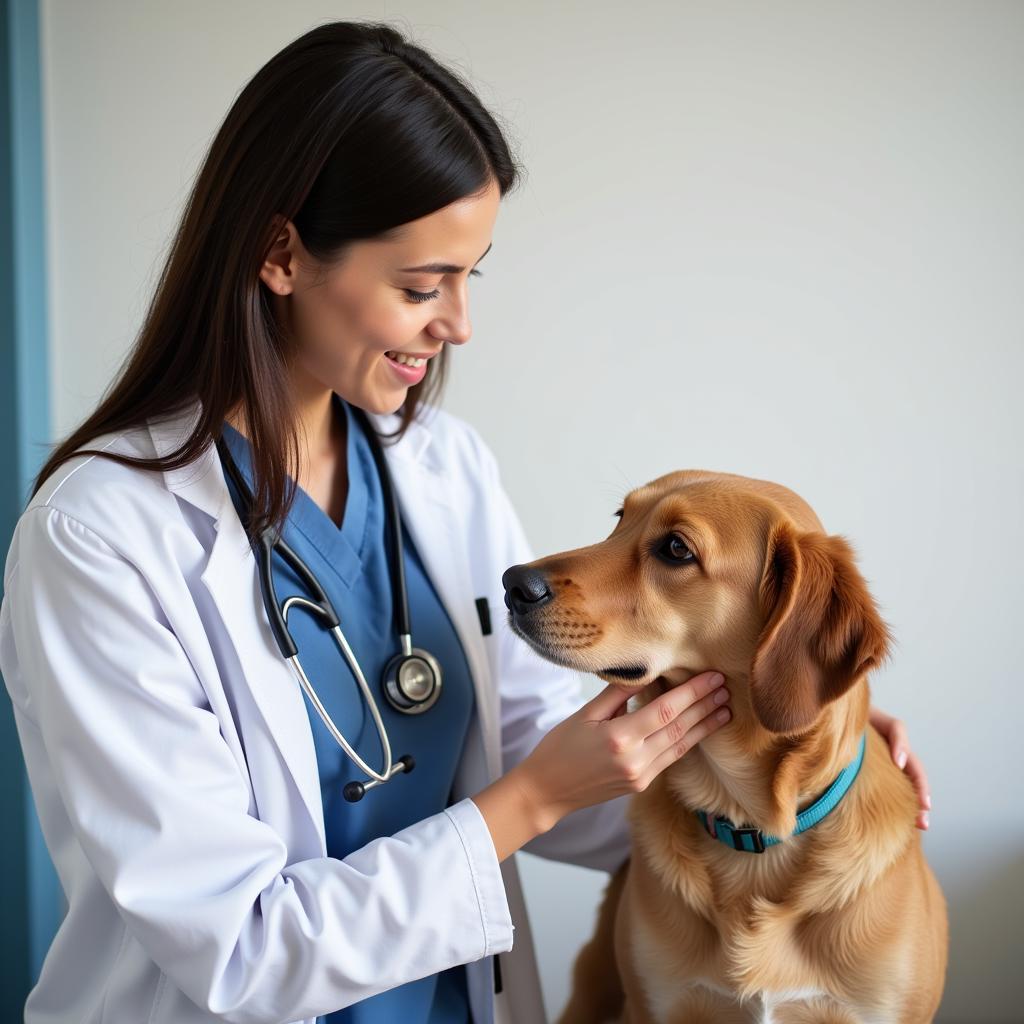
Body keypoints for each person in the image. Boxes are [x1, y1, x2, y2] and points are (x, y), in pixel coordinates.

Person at [0, 20, 931, 1024]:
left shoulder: (440, 468)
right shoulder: (99, 537)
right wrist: (524, 804)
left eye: (466, 276)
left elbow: (529, 733)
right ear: (280, 254)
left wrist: (790, 754)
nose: (458, 324)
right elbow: (239, 952)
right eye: (420, 285)